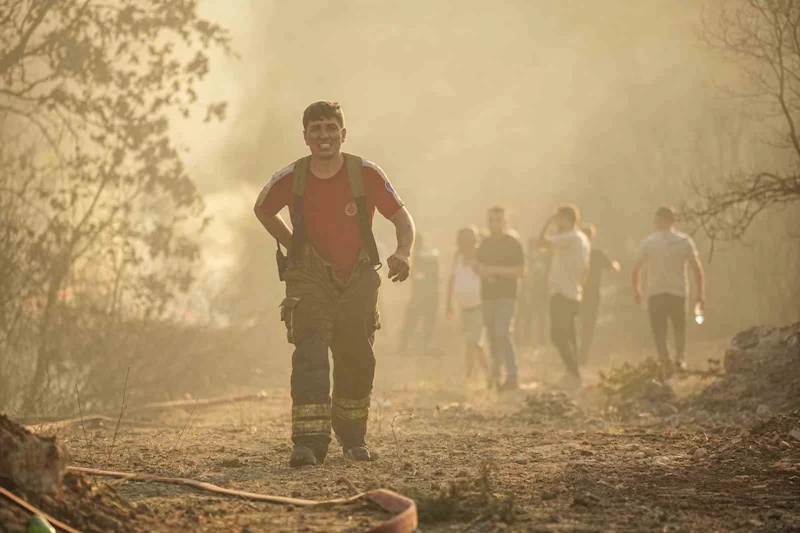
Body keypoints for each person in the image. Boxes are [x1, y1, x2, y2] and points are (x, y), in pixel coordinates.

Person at [253, 101, 416, 467]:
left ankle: (353, 437)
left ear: (343, 134)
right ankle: (308, 444)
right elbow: (262, 208)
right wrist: (292, 242)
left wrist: (403, 252)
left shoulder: (367, 174)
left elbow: (402, 218)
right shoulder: (290, 177)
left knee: (357, 356)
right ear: (306, 136)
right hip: (308, 279)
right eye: (317, 129)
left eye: (331, 128)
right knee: (310, 355)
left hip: (358, 276)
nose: (324, 136)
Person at [632, 206, 705, 375]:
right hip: (678, 291)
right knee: (679, 327)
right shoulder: (684, 241)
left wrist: (637, 290)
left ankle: (665, 361)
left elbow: (636, 268)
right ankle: (679, 359)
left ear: (659, 220)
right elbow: (697, 268)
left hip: (656, 292)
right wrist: (700, 293)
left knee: (659, 329)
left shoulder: (649, 242)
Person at [536, 204, 590, 388]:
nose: (557, 221)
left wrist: (547, 222)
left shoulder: (570, 237)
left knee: (557, 335)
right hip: (573, 292)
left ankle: (573, 373)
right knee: (568, 335)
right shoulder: (580, 238)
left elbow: (540, 242)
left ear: (566, 218)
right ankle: (572, 373)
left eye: (559, 218)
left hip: (563, 293)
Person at [476, 206, 525, 391]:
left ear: (504, 222)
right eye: (491, 220)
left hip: (507, 296)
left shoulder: (512, 243)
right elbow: (477, 265)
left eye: (498, 220)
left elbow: (520, 271)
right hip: (487, 296)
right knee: (492, 336)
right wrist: (482, 272)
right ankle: (496, 374)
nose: (494, 224)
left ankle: (512, 375)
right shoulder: (485, 243)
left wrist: (494, 271)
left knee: (503, 333)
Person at [445, 227, 490, 383]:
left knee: (472, 342)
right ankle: (489, 374)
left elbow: (488, 278)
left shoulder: (481, 256)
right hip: (464, 306)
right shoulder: (457, 257)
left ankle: (468, 376)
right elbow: (452, 280)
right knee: (475, 344)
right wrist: (448, 304)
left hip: (479, 305)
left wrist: (477, 266)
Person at [578, 224, 620, 366]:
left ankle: (575, 356)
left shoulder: (575, 254)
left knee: (575, 325)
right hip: (591, 295)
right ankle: (582, 358)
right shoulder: (597, 254)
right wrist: (616, 264)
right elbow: (612, 268)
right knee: (587, 327)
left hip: (575, 293)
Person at [397, 233, 440, 353]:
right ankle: (410, 345)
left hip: (425, 294)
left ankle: (407, 345)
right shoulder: (425, 254)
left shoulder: (422, 255)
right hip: (425, 294)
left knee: (414, 320)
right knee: (418, 320)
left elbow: (424, 275)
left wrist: (412, 274)